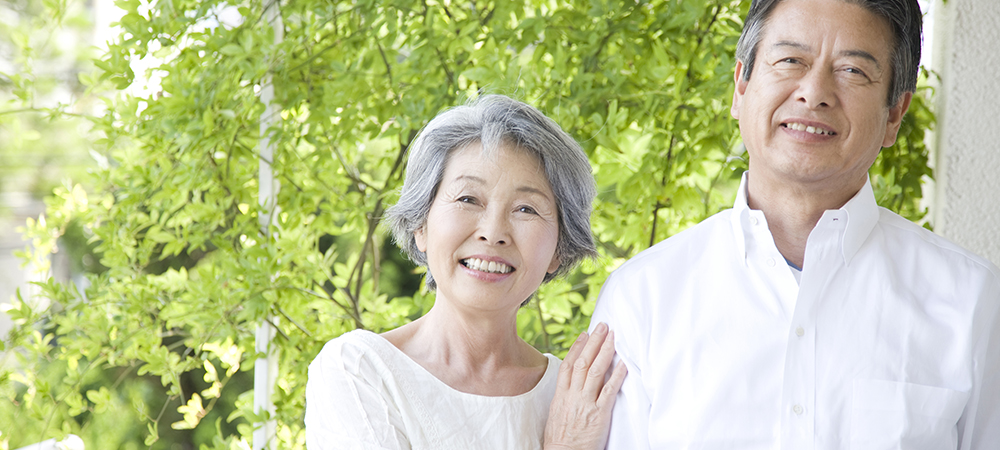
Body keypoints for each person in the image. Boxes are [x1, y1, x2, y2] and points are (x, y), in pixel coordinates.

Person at [591, 0, 1000, 448]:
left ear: (894, 115)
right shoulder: (642, 298)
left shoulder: (973, 302)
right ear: (740, 88)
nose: (814, 92)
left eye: (852, 71)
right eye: (790, 60)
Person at [305, 95, 627, 450]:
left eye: (526, 208)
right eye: (467, 199)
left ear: (559, 249)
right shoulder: (361, 371)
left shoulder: (578, 397)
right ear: (420, 225)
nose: (493, 231)